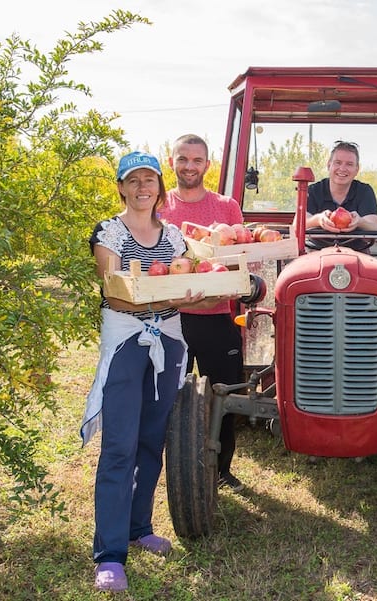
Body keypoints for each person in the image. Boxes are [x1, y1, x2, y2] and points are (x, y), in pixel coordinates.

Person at [83, 150, 209, 592]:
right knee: (119, 445)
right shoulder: (109, 233)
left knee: (152, 440)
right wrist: (172, 298)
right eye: (132, 181)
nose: (142, 188)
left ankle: (139, 527)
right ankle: (110, 554)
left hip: (168, 342)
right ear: (120, 186)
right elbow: (117, 296)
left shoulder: (173, 236)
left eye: (149, 180)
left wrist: (190, 297)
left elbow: (185, 282)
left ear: (159, 186)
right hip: (126, 343)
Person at [158, 133, 247, 493]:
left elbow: (239, 259)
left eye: (197, 160)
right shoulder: (159, 208)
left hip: (215, 316)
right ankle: (171, 469)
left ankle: (221, 469)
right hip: (170, 318)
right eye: (183, 159)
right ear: (171, 162)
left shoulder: (227, 207)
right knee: (165, 393)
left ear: (208, 165)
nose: (189, 166)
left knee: (222, 395)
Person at [296, 141, 377, 251]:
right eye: (338, 162)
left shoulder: (364, 191)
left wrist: (359, 221)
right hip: (316, 251)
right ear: (329, 165)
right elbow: (296, 225)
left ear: (356, 169)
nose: (342, 168)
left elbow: (373, 227)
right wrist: (318, 219)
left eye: (349, 164)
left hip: (357, 252)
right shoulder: (313, 191)